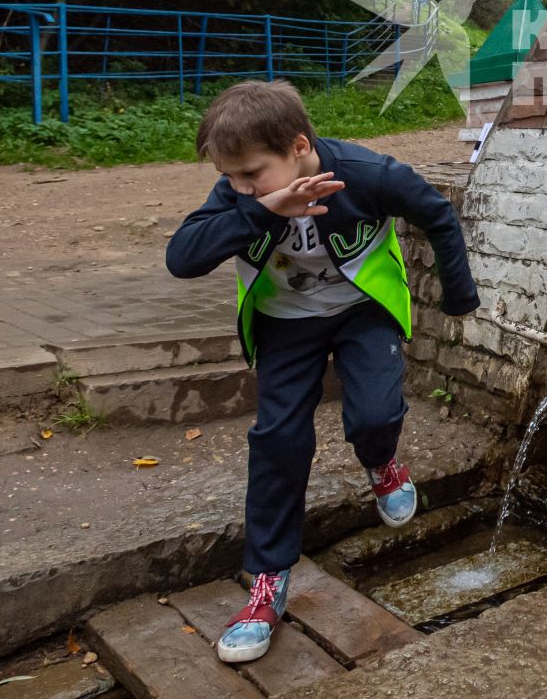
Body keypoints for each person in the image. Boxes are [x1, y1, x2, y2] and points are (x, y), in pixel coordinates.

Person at [165, 80, 479, 664]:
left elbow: (437, 213)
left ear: (298, 146)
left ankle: (382, 463)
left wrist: (458, 297)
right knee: (278, 440)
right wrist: (258, 210)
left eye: (251, 174)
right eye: (230, 178)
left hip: (363, 312)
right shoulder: (240, 196)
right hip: (286, 325)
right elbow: (182, 257)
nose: (238, 187)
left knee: (376, 415)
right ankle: (265, 584)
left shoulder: (365, 173)